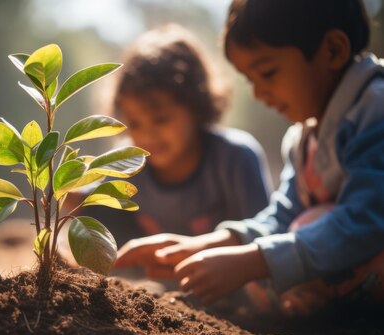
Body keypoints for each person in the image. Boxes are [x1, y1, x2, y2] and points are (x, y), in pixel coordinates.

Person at [116, 0, 384, 316]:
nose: (258, 94)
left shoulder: (374, 110)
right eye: (251, 79)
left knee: (295, 239)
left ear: (333, 50)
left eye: (268, 73)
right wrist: (208, 245)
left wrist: (252, 261)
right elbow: (282, 215)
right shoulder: (303, 138)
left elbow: (368, 218)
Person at [75, 24, 272, 247]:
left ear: (196, 105)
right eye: (135, 123)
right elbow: (87, 199)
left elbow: (264, 240)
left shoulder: (234, 159)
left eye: (161, 119)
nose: (148, 135)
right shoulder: (127, 163)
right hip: (150, 282)